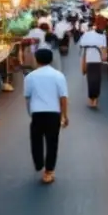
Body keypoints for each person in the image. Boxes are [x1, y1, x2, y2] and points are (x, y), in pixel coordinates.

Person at [24, 47, 68, 184]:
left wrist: (30, 113)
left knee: (36, 140)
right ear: (51, 59)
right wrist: (64, 115)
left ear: (36, 60)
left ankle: (39, 164)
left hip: (37, 113)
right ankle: (49, 171)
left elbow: (27, 97)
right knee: (52, 143)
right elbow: (63, 97)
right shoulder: (58, 75)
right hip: (53, 113)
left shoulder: (30, 77)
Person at [79, 16, 108, 108]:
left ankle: (95, 99)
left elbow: (104, 48)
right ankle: (91, 99)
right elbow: (82, 43)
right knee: (91, 80)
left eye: (103, 25)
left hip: (98, 60)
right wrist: (95, 45)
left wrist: (103, 53)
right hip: (89, 59)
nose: (102, 27)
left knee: (97, 80)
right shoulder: (88, 34)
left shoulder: (103, 36)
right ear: (97, 24)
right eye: (101, 25)